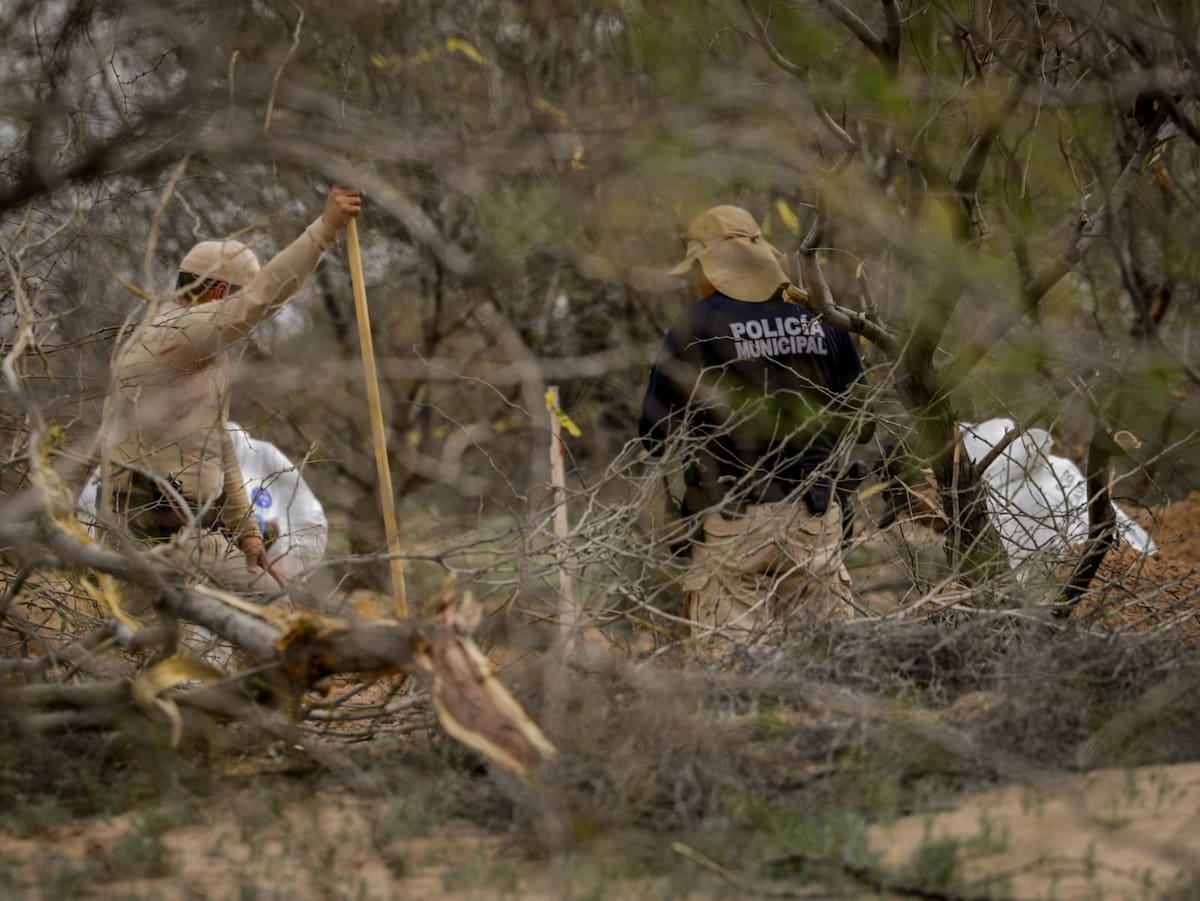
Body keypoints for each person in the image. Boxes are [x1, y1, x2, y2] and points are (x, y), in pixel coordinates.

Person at [99, 185, 360, 597]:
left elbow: (217, 445)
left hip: (185, 528)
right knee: (274, 603)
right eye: (236, 299)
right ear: (219, 294)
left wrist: (247, 533)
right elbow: (265, 297)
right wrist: (326, 228)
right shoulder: (180, 331)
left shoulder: (193, 349)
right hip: (153, 532)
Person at [639, 204, 869, 636]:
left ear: (709, 267)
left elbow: (653, 434)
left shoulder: (696, 325)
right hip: (814, 520)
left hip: (732, 522)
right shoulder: (822, 315)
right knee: (831, 668)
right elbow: (864, 417)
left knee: (731, 679)